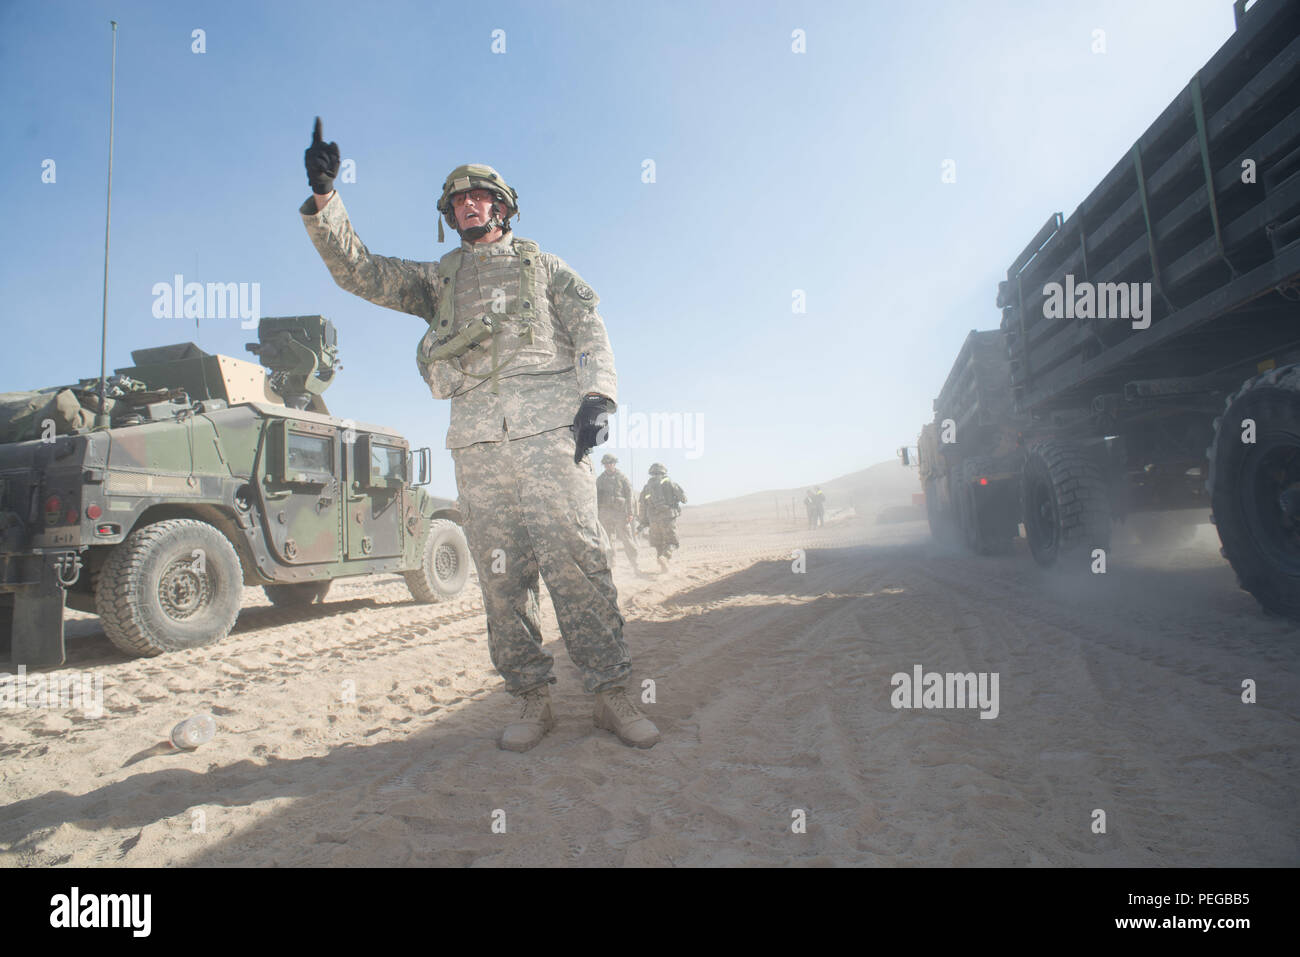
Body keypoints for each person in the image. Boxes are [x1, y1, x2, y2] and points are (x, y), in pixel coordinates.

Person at [298, 120, 659, 751]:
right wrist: (328, 199)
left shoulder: (545, 269)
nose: (467, 204)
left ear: (503, 205)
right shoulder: (439, 280)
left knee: (578, 564)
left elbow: (591, 328)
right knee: (501, 576)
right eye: (456, 200)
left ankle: (612, 696)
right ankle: (530, 700)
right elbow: (361, 273)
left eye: (478, 196)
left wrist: (599, 395)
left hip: (552, 439)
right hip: (478, 449)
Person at [638, 463, 686, 570]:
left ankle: (663, 566)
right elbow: (684, 499)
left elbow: (642, 506)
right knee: (672, 542)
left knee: (658, 543)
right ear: (663, 472)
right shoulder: (670, 483)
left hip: (653, 519)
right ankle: (665, 556)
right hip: (668, 517)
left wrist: (643, 521)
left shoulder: (647, 487)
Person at [596, 454, 639, 573]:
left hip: (620, 513)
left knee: (627, 539)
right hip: (605, 514)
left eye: (610, 463)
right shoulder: (600, 480)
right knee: (608, 540)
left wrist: (630, 513)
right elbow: (596, 497)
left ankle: (635, 564)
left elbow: (630, 496)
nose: (608, 466)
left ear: (614, 464)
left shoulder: (622, 478)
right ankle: (611, 564)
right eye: (605, 464)